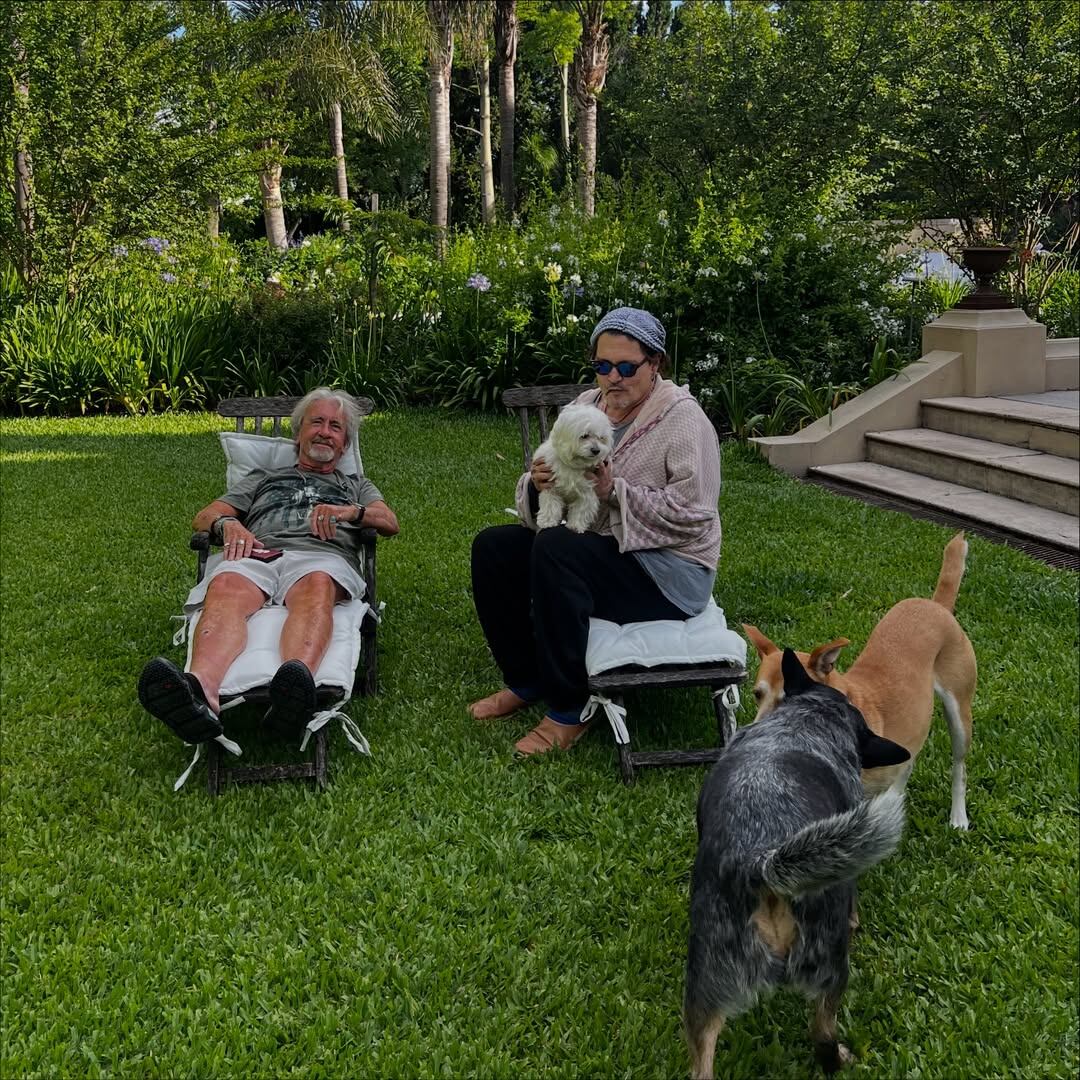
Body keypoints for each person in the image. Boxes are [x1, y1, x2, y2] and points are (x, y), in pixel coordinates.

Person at [469, 306, 722, 757]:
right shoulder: (585, 407)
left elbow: (694, 513)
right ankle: (528, 680)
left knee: (557, 549)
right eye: (603, 366)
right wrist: (538, 482)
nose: (613, 378)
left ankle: (569, 709)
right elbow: (551, 477)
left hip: (668, 573)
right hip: (600, 546)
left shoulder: (684, 421)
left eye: (627, 367)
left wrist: (613, 491)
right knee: (494, 547)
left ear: (655, 364)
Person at [138, 387, 399, 743]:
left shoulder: (354, 484)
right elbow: (205, 516)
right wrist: (226, 524)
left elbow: (389, 521)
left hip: (320, 557)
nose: (325, 431)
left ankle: (294, 693)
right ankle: (200, 692)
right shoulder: (263, 478)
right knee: (226, 586)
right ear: (298, 434)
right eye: (316, 422)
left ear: (344, 444)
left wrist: (352, 512)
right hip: (258, 553)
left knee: (317, 585)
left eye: (335, 427)